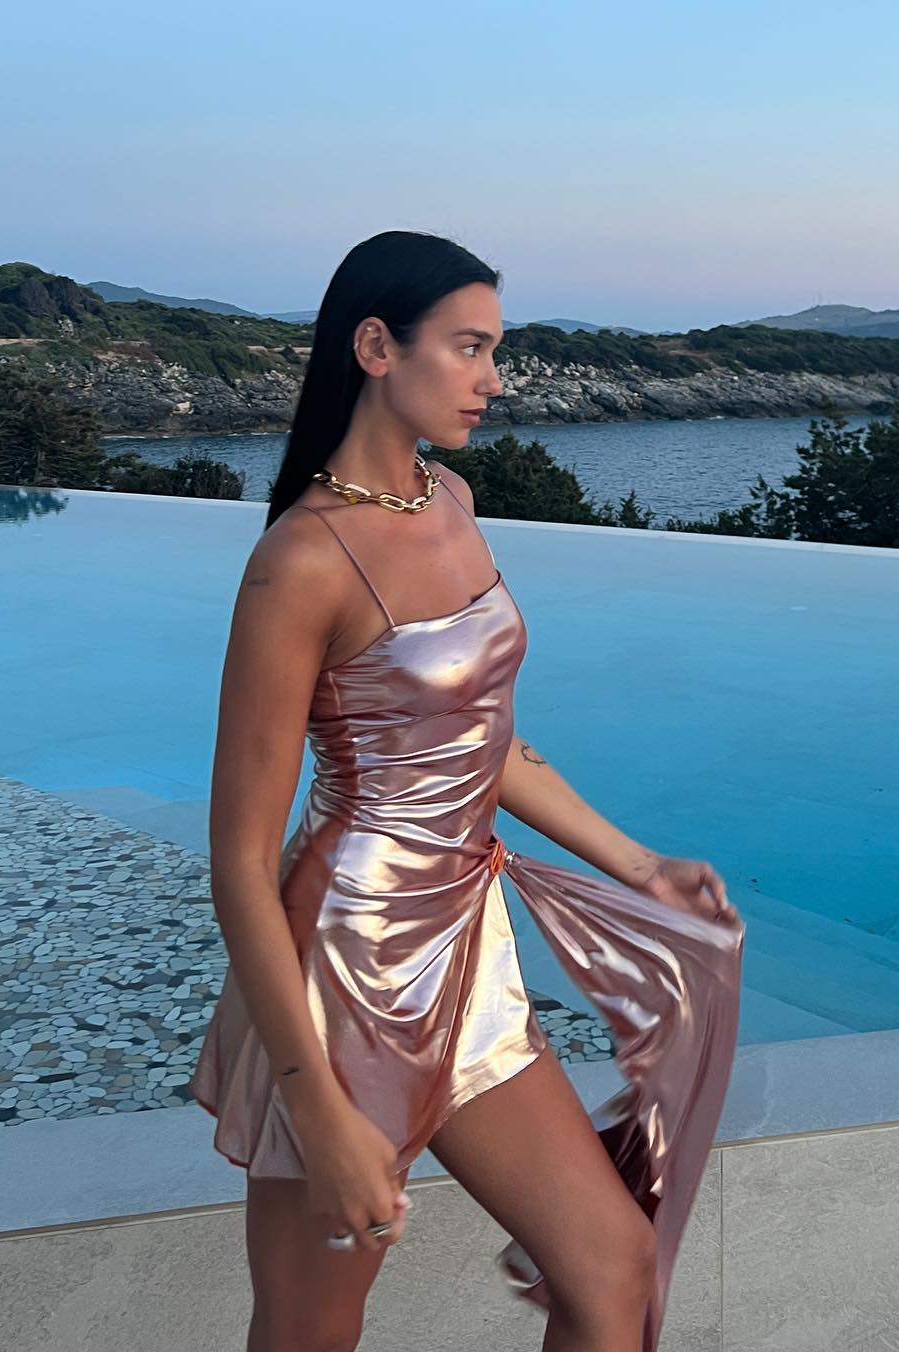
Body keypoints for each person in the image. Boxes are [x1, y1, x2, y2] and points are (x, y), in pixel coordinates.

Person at [191, 230, 744, 1352]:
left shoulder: (449, 495)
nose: (494, 379)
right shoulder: (300, 562)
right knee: (308, 1334)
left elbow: (476, 738)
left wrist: (637, 864)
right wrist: (314, 1104)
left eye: (496, 350)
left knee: (612, 1269)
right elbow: (241, 864)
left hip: (467, 946)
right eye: (470, 348)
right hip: (346, 978)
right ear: (376, 347)